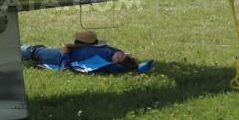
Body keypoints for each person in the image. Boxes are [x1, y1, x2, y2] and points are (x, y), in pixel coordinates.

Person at [21, 29, 153, 74]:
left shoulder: (99, 63)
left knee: (35, 52)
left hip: (59, 55)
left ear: (115, 64)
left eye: (119, 58)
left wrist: (65, 57)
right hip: (67, 50)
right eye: (123, 54)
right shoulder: (111, 51)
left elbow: (67, 64)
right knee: (38, 50)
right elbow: (134, 62)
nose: (120, 54)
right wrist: (136, 64)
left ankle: (18, 49)